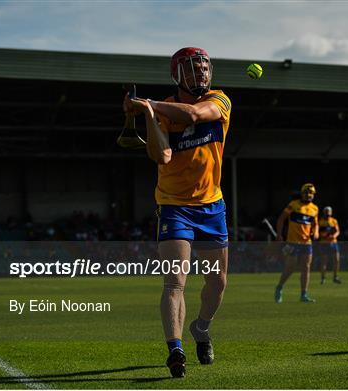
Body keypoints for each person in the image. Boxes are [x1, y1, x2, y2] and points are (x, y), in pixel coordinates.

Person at [123, 47, 231, 378]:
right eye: (193, 68)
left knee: (217, 282)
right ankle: (175, 349)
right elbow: (163, 156)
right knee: (175, 282)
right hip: (174, 208)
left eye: (204, 67)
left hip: (211, 206)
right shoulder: (163, 112)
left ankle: (201, 328)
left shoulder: (222, 100)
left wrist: (151, 105)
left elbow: (196, 116)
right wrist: (149, 117)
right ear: (177, 74)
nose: (201, 73)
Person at [274, 183, 319, 303]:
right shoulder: (293, 205)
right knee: (290, 267)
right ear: (302, 193)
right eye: (307, 193)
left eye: (311, 193)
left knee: (306, 267)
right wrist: (279, 234)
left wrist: (316, 232)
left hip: (307, 243)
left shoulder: (314, 209)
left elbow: (315, 224)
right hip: (293, 242)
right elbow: (281, 219)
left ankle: (304, 294)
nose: (309, 195)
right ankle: (279, 287)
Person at [318, 206, 342, 284]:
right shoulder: (320, 222)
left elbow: (337, 231)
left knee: (336, 260)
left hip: (333, 243)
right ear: (324, 212)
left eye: (329, 212)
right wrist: (324, 236)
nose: (328, 213)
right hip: (324, 244)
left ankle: (335, 277)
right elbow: (318, 233)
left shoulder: (334, 221)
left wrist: (333, 236)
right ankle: (323, 278)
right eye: (326, 212)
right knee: (324, 261)